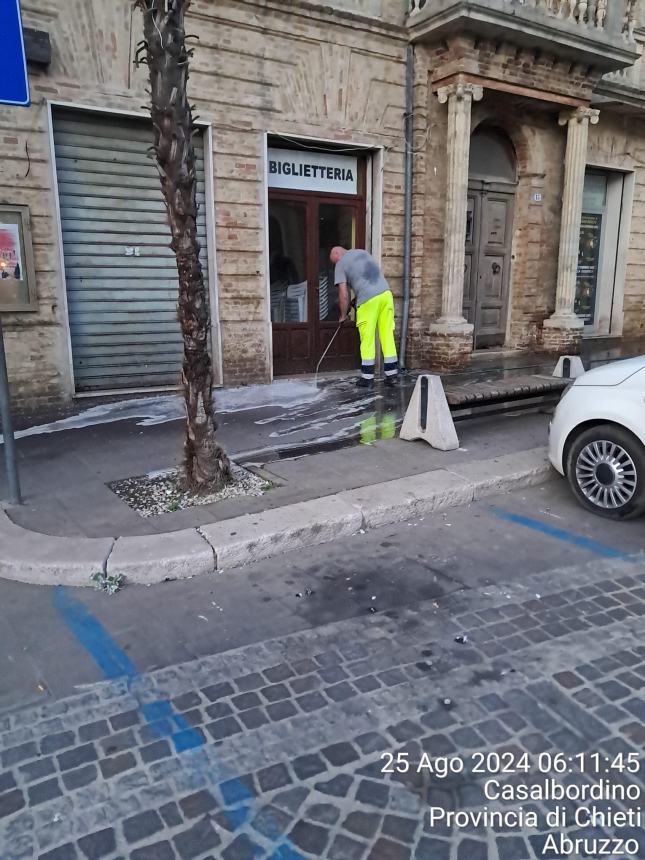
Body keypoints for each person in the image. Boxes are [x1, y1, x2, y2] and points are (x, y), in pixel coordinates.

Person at [330, 246, 398, 387]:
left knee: (367, 338)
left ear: (337, 254)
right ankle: (392, 376)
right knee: (387, 335)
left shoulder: (341, 264)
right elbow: (367, 278)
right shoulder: (362, 252)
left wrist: (343, 315)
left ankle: (367, 379)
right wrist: (357, 298)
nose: (335, 264)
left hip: (368, 301)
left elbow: (343, 294)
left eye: (334, 261)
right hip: (386, 294)